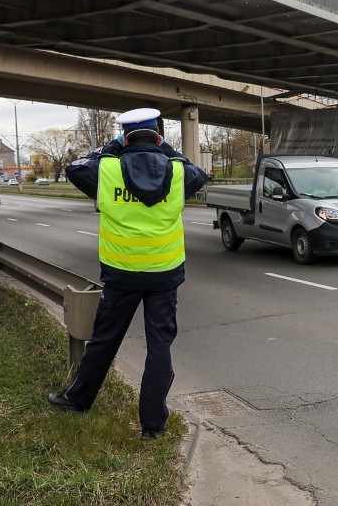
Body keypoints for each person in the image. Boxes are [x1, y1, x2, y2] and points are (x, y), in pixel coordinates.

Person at [47, 108, 208, 440]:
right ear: (158, 135)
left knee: (104, 340)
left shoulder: (105, 169)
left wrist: (111, 146)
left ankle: (78, 400)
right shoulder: (177, 172)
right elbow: (200, 173)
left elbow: (74, 168)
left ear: (124, 135)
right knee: (160, 347)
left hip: (121, 274)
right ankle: (153, 426)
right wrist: (167, 149)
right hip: (164, 274)